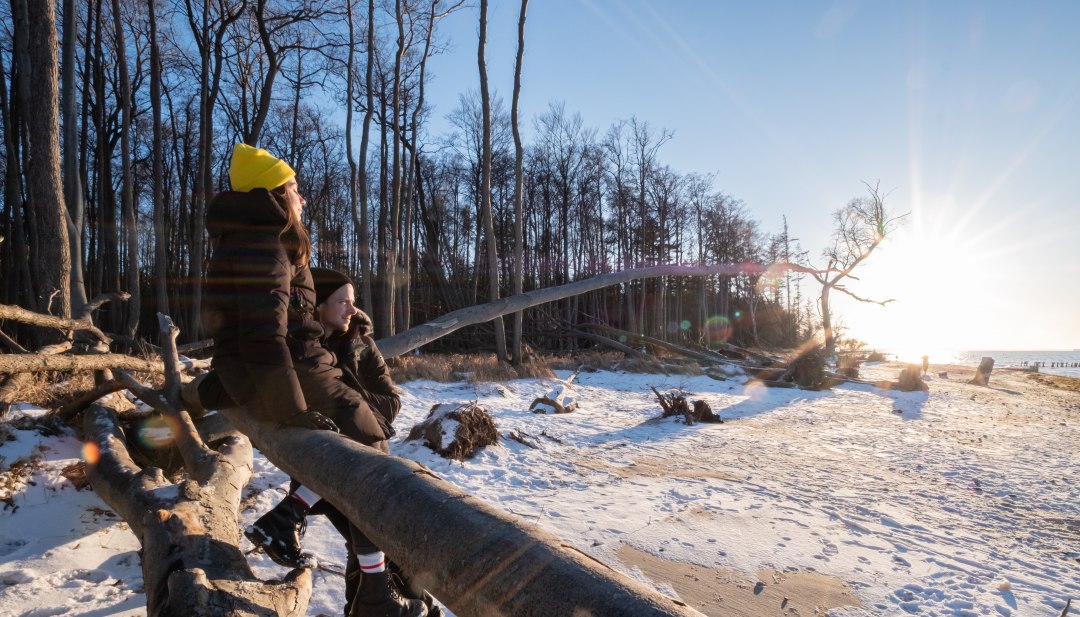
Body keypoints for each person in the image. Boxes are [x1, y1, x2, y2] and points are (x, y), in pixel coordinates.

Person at [200, 143, 426, 617]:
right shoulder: (265, 243)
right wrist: (291, 410)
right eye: (295, 188)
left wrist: (224, 384)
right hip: (301, 370)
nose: (301, 198)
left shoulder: (239, 239)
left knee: (365, 450)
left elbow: (238, 332)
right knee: (373, 464)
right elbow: (266, 336)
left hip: (290, 370)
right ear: (275, 193)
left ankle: (301, 526)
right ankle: (374, 590)